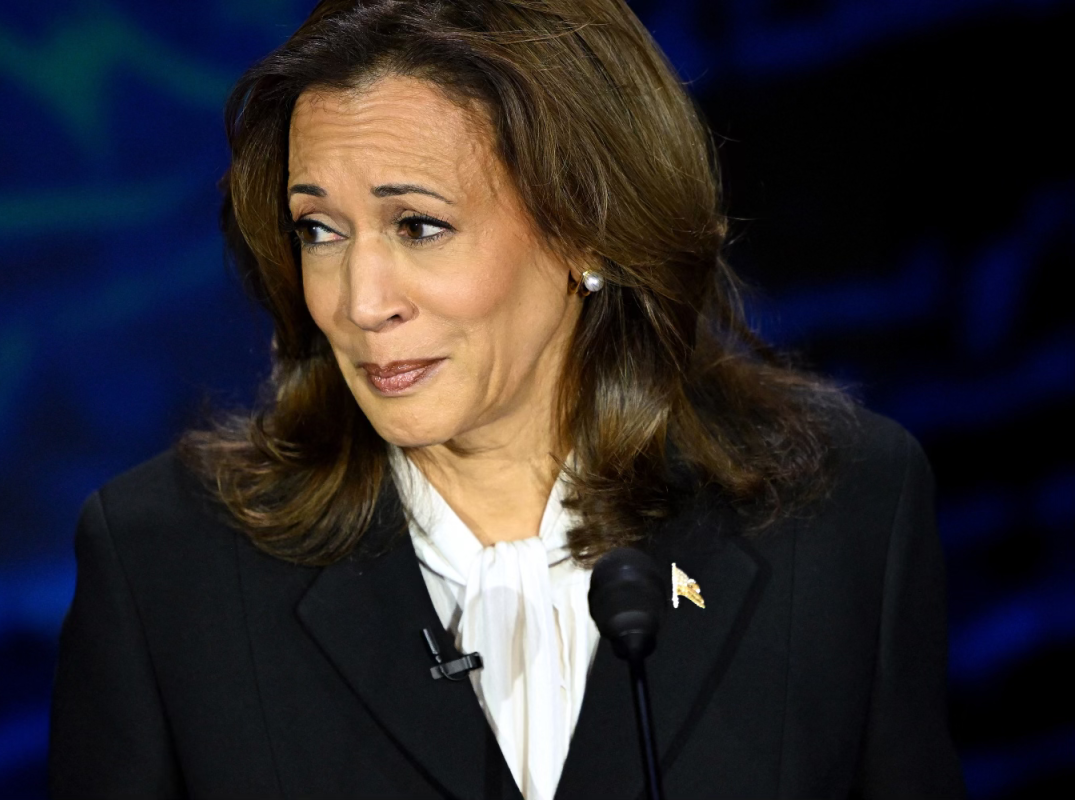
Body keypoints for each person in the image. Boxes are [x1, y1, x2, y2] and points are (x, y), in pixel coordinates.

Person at [48, 1, 966, 798]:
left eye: (420, 226)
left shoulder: (843, 515)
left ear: (589, 228)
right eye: (319, 230)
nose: (360, 301)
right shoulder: (163, 569)